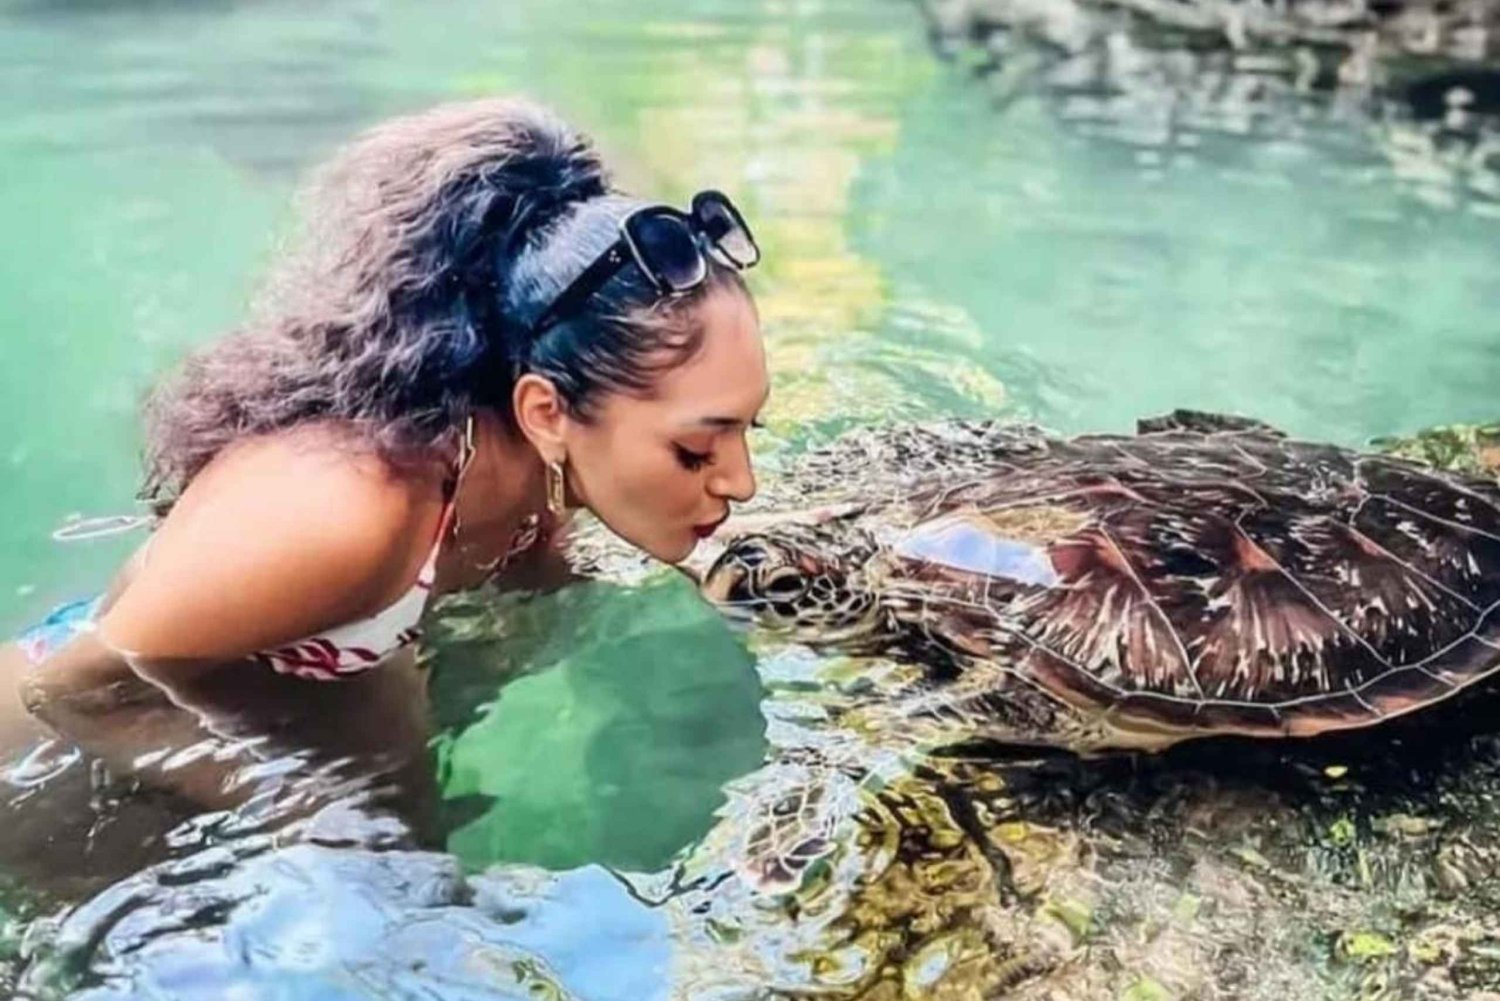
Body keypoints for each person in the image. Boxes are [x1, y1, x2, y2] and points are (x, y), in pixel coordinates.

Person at [0, 97, 769, 835]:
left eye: (747, 430)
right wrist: (341, 827)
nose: (741, 479)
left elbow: (517, 616)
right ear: (546, 411)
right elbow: (74, 687)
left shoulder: (530, 474)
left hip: (175, 766)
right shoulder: (348, 506)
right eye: (697, 449)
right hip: (40, 776)